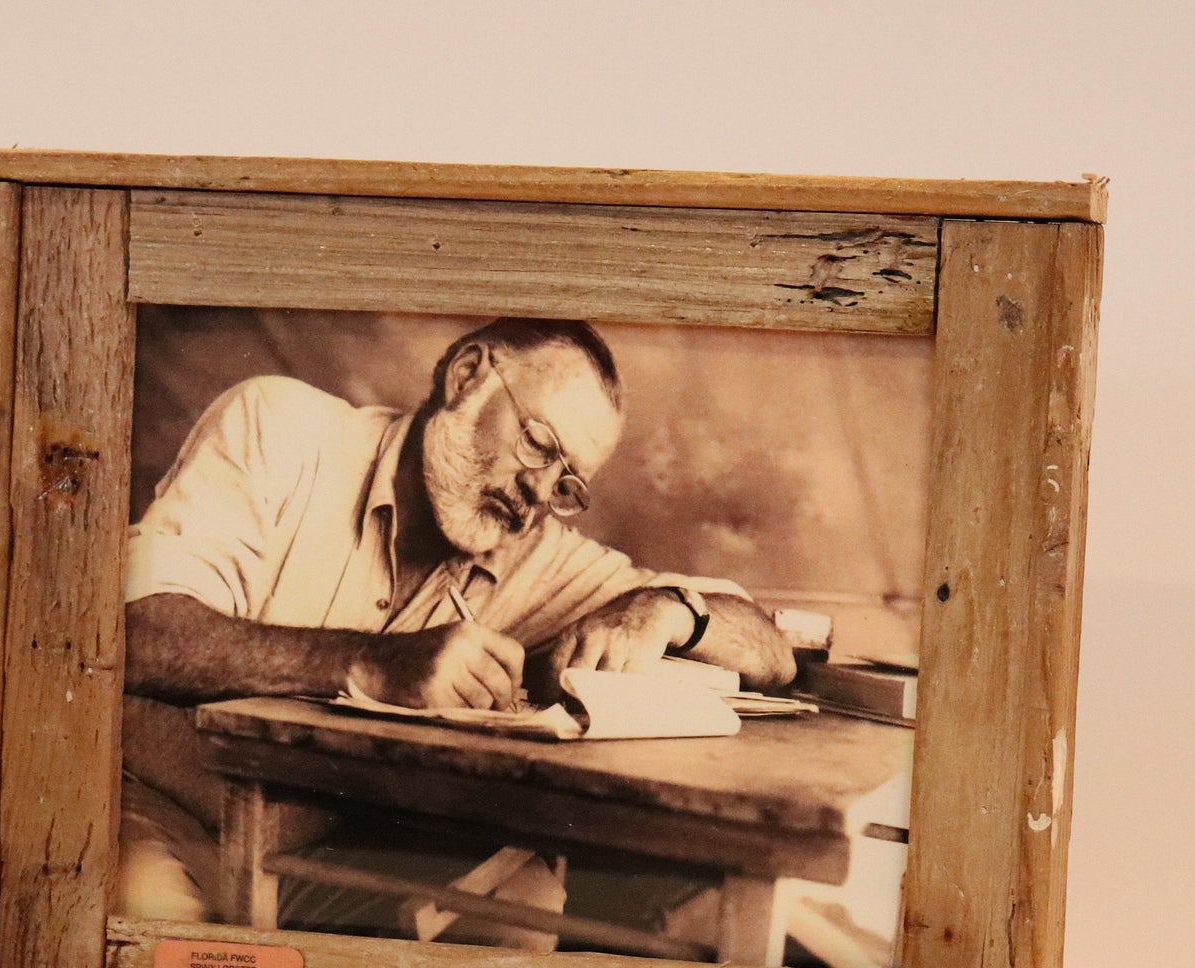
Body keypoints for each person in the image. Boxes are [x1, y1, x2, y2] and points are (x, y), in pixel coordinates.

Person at [119, 317, 798, 924]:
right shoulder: (277, 426)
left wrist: (667, 608)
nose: (538, 490)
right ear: (467, 374)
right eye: (538, 442)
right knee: (145, 908)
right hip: (166, 813)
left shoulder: (537, 554)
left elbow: (772, 654)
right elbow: (140, 631)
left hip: (326, 846)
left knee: (519, 910)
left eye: (567, 484)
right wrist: (369, 663)